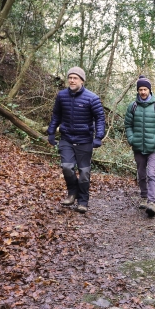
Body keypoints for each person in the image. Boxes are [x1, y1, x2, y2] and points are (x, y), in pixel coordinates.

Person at [47, 67, 105, 213]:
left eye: (75, 78)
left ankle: (83, 202)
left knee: (84, 173)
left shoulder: (92, 98)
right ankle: (72, 193)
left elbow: (100, 118)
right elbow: (56, 115)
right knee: (67, 167)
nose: (72, 80)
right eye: (70, 78)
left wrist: (98, 137)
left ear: (82, 80)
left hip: (84, 140)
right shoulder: (61, 96)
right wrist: (51, 132)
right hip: (66, 138)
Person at [125, 76, 155, 217]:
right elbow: (128, 126)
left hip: (153, 148)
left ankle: (152, 202)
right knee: (141, 174)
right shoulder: (133, 106)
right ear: (137, 90)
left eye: (145, 89)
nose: (143, 92)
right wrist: (131, 139)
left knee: (151, 174)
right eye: (140, 89)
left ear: (149, 90)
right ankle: (144, 197)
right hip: (138, 147)